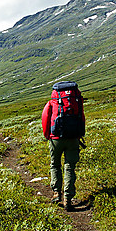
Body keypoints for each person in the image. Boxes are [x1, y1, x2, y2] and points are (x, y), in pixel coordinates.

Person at [41, 81, 85, 211]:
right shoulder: (76, 101)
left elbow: (45, 117)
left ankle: (56, 193)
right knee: (70, 167)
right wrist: (80, 134)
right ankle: (68, 198)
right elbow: (81, 117)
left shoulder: (53, 101)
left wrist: (48, 135)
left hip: (56, 139)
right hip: (73, 138)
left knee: (55, 164)